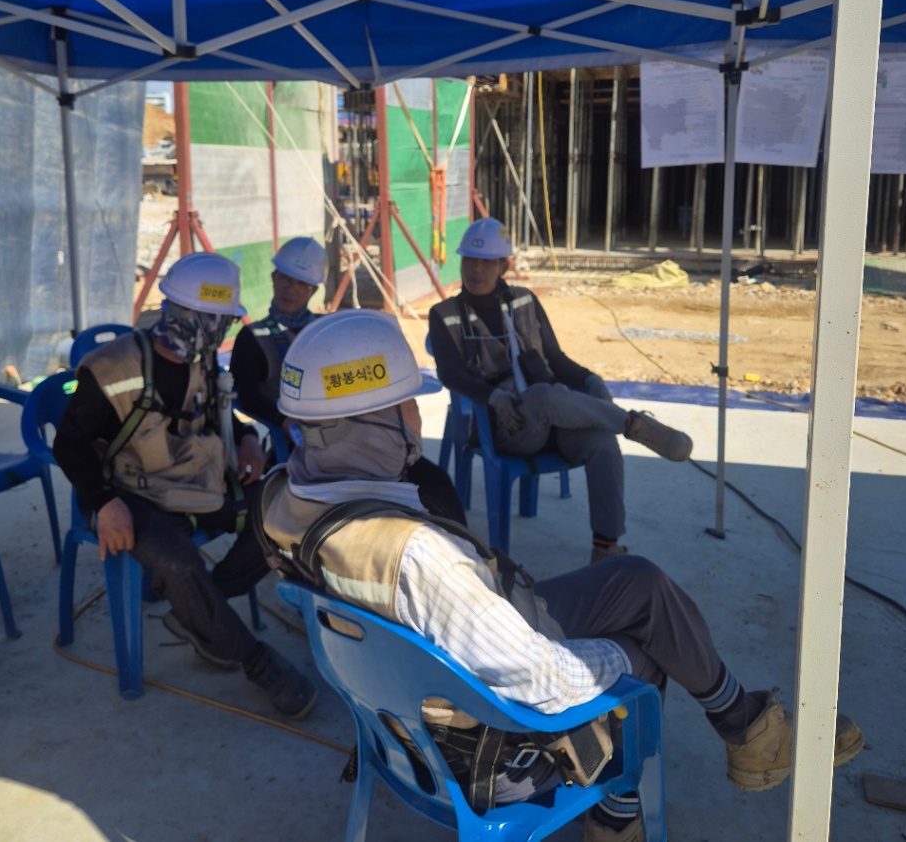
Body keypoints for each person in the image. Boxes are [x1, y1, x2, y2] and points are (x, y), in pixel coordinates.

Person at [256, 309, 864, 841]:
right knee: (647, 654)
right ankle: (622, 817)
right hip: (490, 751)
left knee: (637, 581)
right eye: (407, 405)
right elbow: (541, 681)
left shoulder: (280, 499)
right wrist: (623, 653)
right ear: (370, 424)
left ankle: (745, 725)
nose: (417, 418)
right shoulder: (416, 556)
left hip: (408, 714)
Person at [53, 251, 317, 720]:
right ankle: (257, 663)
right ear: (185, 315)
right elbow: (69, 444)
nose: (222, 331)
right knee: (177, 562)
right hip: (129, 493)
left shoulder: (202, 361)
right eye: (218, 321)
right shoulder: (112, 367)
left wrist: (247, 438)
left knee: (280, 511)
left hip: (192, 481)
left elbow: (220, 411)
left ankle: (197, 613)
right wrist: (104, 502)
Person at [429, 217, 693, 563]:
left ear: (503, 266)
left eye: (486, 262)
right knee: (544, 396)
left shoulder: (524, 300)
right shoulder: (444, 314)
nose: (476, 269)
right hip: (507, 426)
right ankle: (631, 423)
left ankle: (605, 546)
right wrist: (493, 397)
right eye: (470, 260)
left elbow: (554, 358)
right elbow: (450, 375)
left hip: (556, 420)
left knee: (602, 442)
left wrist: (591, 381)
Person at [231, 236, 466, 525]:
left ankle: (464, 547)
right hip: (309, 444)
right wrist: (283, 419)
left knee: (437, 484)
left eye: (302, 284)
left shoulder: (330, 330)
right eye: (285, 279)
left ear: (313, 289)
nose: (291, 289)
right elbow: (247, 395)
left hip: (360, 432)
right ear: (273, 278)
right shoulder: (253, 337)